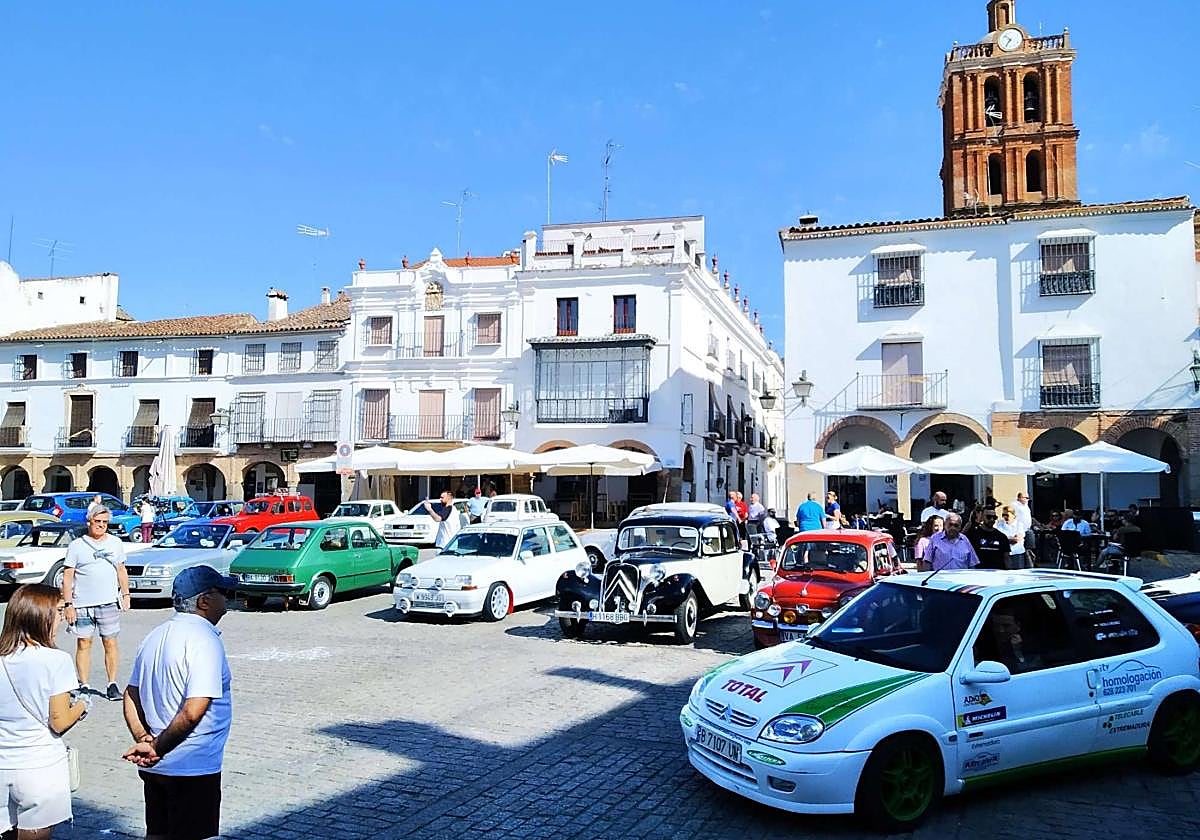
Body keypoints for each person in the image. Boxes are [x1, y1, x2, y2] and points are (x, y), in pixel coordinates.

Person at [122, 566, 234, 840]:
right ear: (204, 600)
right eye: (223, 593)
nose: (228, 601)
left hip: (158, 766)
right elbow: (193, 710)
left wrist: (143, 737)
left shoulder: (155, 635)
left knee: (158, 832)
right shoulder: (204, 640)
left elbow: (130, 694)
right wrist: (156, 747)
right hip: (192, 765)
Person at [0, 585, 91, 840]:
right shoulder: (55, 660)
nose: (62, 617)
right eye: (59, 611)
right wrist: (83, 706)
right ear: (42, 615)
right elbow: (59, 721)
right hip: (39, 765)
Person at [62, 504, 130, 702]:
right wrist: (68, 604)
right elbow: (68, 576)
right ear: (89, 522)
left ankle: (112, 683)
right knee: (84, 642)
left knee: (110, 642)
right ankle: (83, 684)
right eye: (97, 522)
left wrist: (126, 594)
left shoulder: (115, 543)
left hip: (108, 602)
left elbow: (121, 570)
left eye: (105, 522)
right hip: (82, 603)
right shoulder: (77, 546)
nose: (101, 525)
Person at [994, 505, 1027, 569]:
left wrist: (1003, 539)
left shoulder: (1019, 524)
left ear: (1013, 515)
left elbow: (1017, 540)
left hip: (1016, 553)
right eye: (1003, 515)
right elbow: (995, 537)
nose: (1004, 517)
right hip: (1003, 554)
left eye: (1007, 515)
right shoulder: (999, 524)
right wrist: (1009, 539)